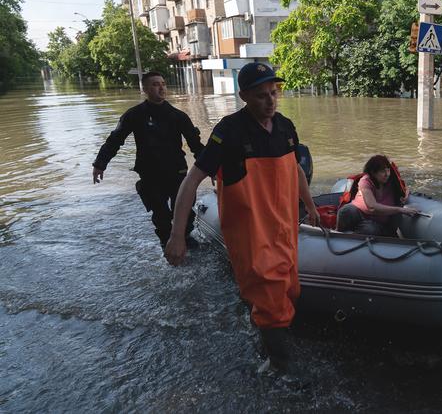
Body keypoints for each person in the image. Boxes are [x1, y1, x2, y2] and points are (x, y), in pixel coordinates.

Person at [163, 63, 319, 376]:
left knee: (290, 291)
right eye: (261, 96)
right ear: (244, 96)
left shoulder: (286, 127)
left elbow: (296, 169)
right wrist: (177, 234)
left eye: (274, 93)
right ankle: (282, 370)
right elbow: (191, 181)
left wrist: (310, 206)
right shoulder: (229, 131)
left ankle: (261, 337)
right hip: (250, 235)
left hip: (283, 231)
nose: (270, 100)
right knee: (271, 300)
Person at [92, 71, 204, 248]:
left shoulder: (178, 116)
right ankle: (166, 244)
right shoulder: (134, 115)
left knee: (183, 211)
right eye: (155, 84)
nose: (161, 87)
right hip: (150, 174)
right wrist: (100, 164)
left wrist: (210, 168)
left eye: (163, 83)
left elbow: (195, 144)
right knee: (160, 216)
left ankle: (185, 239)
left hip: (177, 172)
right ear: (144, 89)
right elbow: (115, 140)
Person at [336, 155, 418, 236]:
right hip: (360, 213)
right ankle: (338, 236)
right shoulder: (365, 181)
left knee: (369, 229)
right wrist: (400, 210)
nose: (387, 174)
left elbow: (403, 188)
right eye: (382, 171)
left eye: (388, 170)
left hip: (379, 221)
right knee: (345, 211)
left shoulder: (393, 181)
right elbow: (372, 207)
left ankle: (354, 237)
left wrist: (405, 195)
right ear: (373, 172)